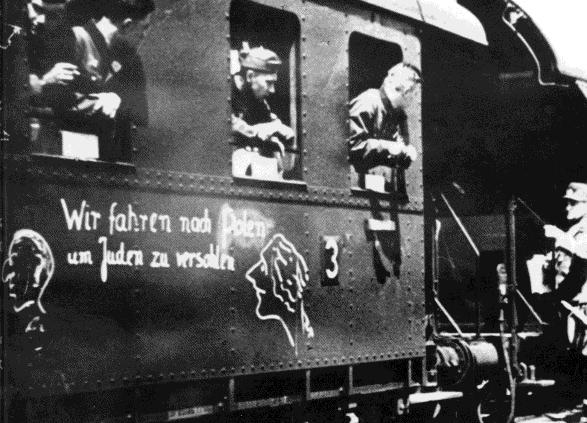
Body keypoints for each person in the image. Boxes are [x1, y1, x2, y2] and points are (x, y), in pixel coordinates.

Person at [48, 0, 154, 160]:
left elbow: (140, 115)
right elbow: (56, 98)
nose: (144, 35)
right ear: (127, 25)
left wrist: (117, 102)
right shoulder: (76, 38)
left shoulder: (130, 59)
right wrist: (98, 102)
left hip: (109, 154)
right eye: (144, 28)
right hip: (70, 149)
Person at [540, 181, 587, 420]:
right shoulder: (575, 230)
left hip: (584, 302)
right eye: (567, 202)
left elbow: (582, 257)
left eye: (573, 203)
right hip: (573, 303)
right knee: (578, 353)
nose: (567, 207)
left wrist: (561, 237)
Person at [348, 63, 422, 190]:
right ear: (405, 91)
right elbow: (353, 147)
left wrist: (405, 154)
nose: (415, 99)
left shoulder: (397, 115)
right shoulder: (369, 101)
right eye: (415, 93)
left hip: (374, 187)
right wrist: (391, 148)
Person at [231, 45, 295, 179]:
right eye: (268, 83)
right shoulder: (226, 90)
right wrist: (258, 131)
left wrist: (276, 132)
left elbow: (273, 125)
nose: (272, 90)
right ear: (250, 76)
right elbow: (230, 124)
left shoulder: (259, 101)